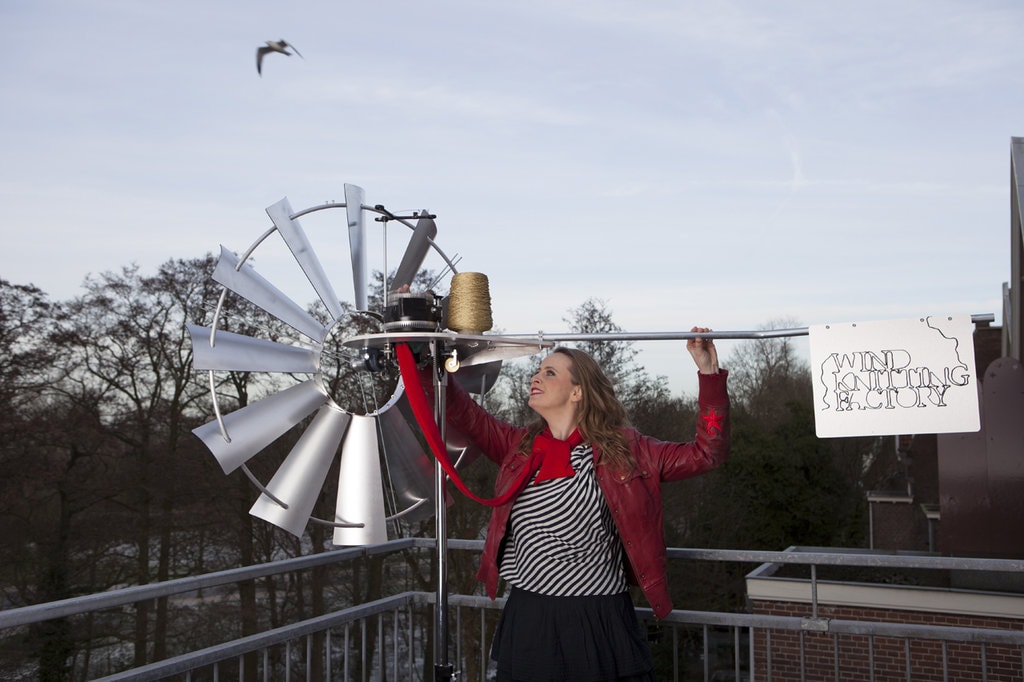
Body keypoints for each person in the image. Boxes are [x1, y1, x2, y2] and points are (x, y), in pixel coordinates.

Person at [437, 329, 730, 681]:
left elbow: (707, 453)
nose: (535, 377)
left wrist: (709, 375)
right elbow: (461, 411)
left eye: (550, 372)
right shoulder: (517, 447)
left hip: (598, 617)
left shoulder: (629, 451)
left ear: (577, 391)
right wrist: (422, 352)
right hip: (530, 616)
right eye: (538, 370)